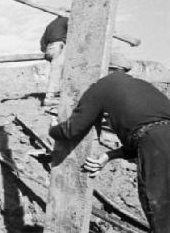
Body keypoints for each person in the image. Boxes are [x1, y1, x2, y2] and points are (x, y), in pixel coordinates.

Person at [48, 52, 170, 232]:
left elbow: (72, 130)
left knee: (160, 209)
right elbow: (147, 131)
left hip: (154, 148)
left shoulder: (103, 85)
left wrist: (52, 129)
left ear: (104, 68)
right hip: (157, 143)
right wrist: (108, 155)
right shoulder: (143, 86)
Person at [40, 16, 68, 106]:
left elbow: (42, 42)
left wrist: (48, 50)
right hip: (58, 46)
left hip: (49, 49)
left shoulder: (50, 25)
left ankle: (57, 94)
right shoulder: (66, 20)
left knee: (56, 71)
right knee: (57, 71)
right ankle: (49, 98)